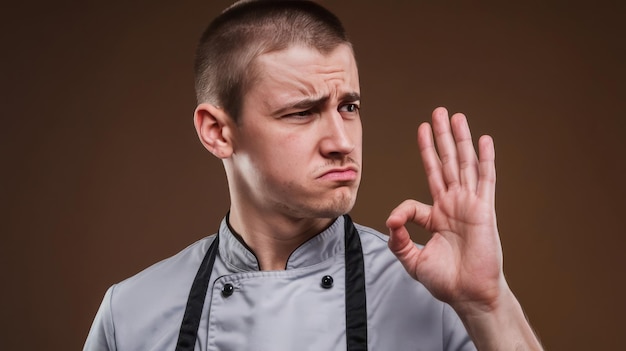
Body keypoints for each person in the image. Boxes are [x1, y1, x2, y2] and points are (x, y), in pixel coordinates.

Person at [84, 1, 543, 350]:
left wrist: (489, 304)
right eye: (302, 112)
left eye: (349, 106)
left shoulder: (440, 298)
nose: (341, 140)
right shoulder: (129, 315)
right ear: (218, 132)